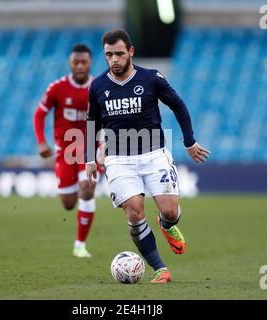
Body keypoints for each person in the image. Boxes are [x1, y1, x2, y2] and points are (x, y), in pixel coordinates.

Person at [85, 29, 210, 283]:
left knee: (171, 211)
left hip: (154, 155)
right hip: (119, 159)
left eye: (119, 53)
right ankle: (160, 269)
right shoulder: (97, 86)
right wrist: (89, 158)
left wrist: (189, 142)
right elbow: (91, 122)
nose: (114, 60)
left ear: (131, 51)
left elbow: (178, 106)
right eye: (109, 55)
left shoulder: (151, 79)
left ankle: (166, 225)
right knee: (133, 212)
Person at [34, 44, 100, 258]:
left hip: (90, 148)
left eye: (84, 62)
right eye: (76, 62)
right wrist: (42, 142)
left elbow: (109, 120)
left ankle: (80, 245)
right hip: (65, 150)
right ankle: (75, 203)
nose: (80, 66)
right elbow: (39, 115)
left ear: (90, 63)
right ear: (70, 64)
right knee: (68, 204)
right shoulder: (57, 88)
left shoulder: (99, 88)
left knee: (88, 190)